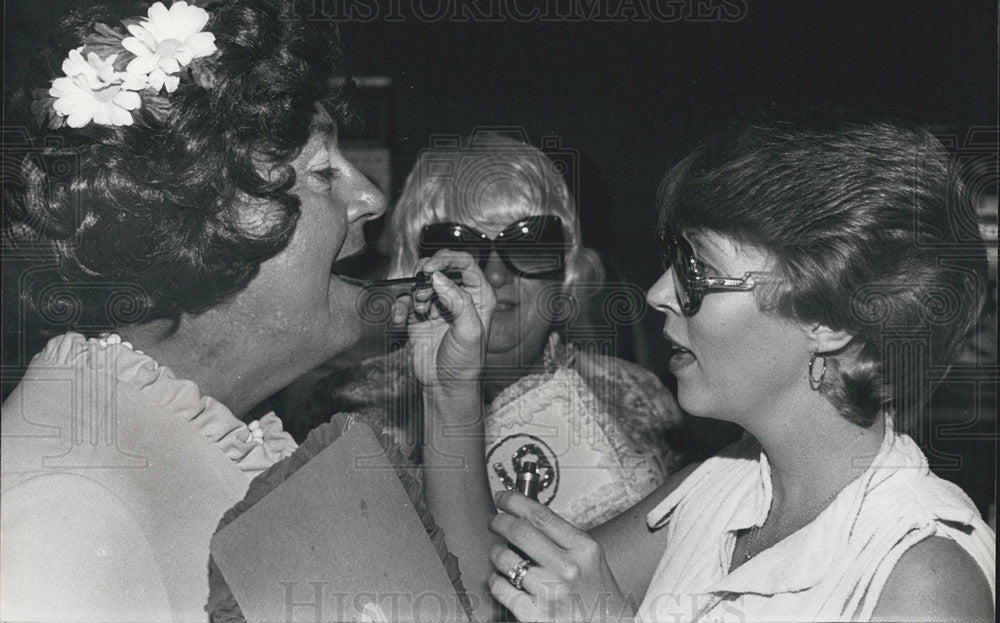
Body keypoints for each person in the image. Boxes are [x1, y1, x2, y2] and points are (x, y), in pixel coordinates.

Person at [0, 1, 489, 620]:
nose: (371, 196)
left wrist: (449, 397)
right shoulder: (61, 511)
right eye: (322, 172)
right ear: (193, 220)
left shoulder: (211, 434)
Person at [483, 118, 996, 622]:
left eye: (697, 270)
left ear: (827, 318)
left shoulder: (922, 577)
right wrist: (448, 388)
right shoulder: (717, 489)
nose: (659, 293)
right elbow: (484, 608)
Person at [285, 133, 683, 530]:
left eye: (529, 244)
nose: (494, 273)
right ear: (412, 267)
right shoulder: (345, 415)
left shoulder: (637, 400)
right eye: (457, 244)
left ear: (566, 269)